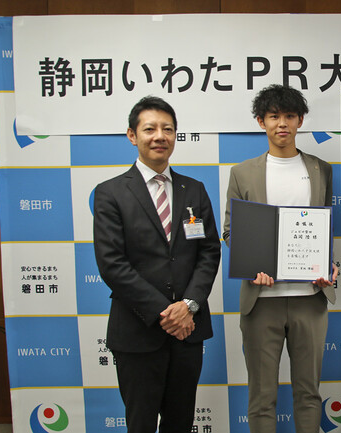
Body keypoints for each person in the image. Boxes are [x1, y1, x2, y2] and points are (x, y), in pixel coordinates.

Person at [93, 96, 221, 433]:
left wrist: (188, 305)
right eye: (149, 129)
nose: (159, 136)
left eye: (167, 129)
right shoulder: (110, 193)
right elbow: (112, 264)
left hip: (188, 331)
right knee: (141, 423)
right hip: (138, 331)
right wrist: (166, 313)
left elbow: (209, 252)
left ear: (176, 135)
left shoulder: (194, 190)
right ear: (132, 136)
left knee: (180, 422)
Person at [222, 84, 338, 433]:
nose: (282, 124)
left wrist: (327, 263)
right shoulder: (243, 172)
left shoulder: (321, 169)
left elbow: (324, 226)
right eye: (274, 116)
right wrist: (249, 263)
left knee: (309, 394)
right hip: (262, 300)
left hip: (309, 298)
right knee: (262, 397)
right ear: (261, 122)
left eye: (289, 116)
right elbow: (230, 231)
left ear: (300, 120)